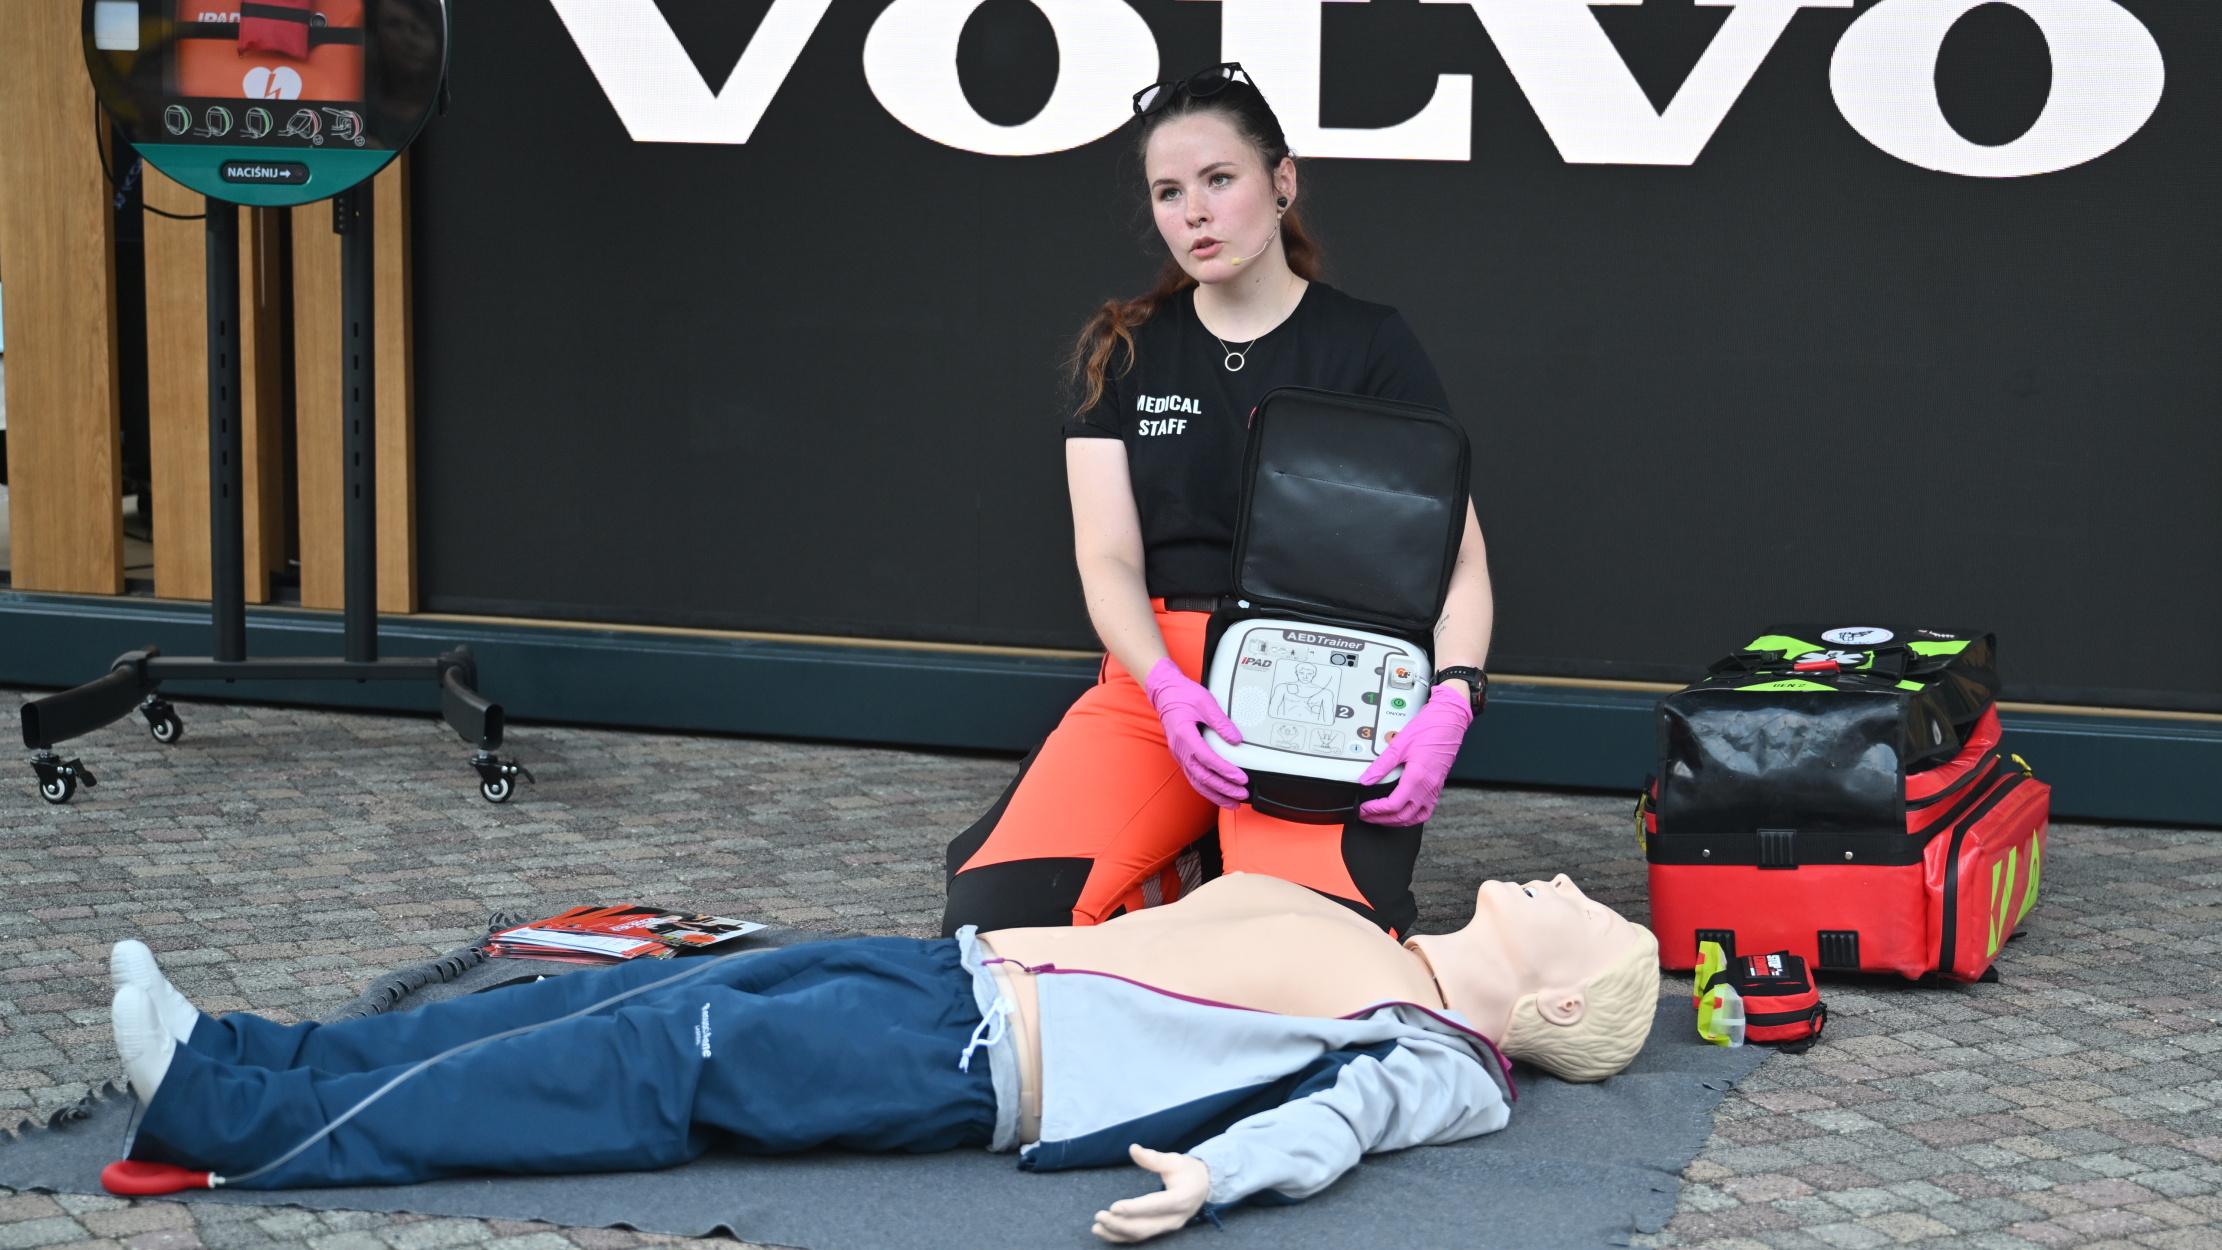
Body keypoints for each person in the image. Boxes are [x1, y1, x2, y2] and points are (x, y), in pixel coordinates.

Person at [109, 874, 1657, 1243]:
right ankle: (255, 1051)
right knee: (603, 999)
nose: (1558, 879)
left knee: (637, 1058)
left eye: (1577, 911)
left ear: (1555, 1002)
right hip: (946, 974)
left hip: (965, 1058)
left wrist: (1216, 1174)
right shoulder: (1382, 935)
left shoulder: (1442, 1051)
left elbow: (1343, 1121)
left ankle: (231, 1121)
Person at [942, 64, 1495, 940]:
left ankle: (1207, 869)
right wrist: (1164, 686)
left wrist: (1453, 697)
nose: (1193, 212)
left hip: (1322, 677)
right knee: (999, 926)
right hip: (1159, 675)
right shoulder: (1126, 349)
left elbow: (1457, 557)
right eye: (1169, 192)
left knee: (1304, 959)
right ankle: (1181, 861)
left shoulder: (1368, 344)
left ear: (1282, 182)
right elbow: (1107, 558)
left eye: (1219, 179)